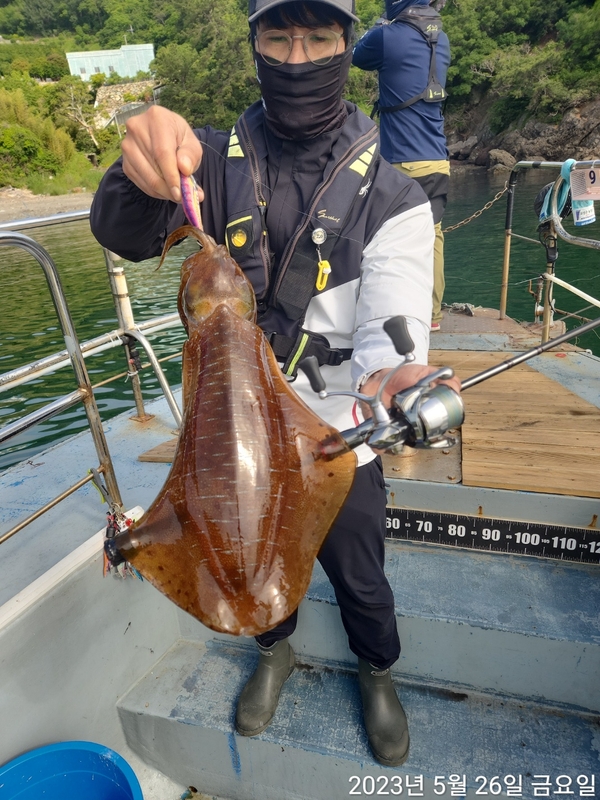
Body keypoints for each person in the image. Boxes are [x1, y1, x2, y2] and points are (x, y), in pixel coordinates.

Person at [90, 0, 460, 767]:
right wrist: (137, 169)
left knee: (360, 574)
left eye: (319, 35)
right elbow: (125, 232)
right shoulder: (206, 163)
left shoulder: (394, 195)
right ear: (255, 42)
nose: (298, 55)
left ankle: (377, 669)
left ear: (344, 43)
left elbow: (385, 332)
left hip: (332, 434)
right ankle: (274, 649)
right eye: (278, 35)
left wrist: (397, 377)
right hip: (222, 434)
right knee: (237, 544)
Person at [352, 0, 450, 332]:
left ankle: (382, 312)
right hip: (437, 158)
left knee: (379, 237)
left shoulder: (387, 36)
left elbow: (356, 56)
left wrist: (379, 25)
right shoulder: (442, 39)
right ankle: (433, 316)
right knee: (433, 236)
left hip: (400, 163)